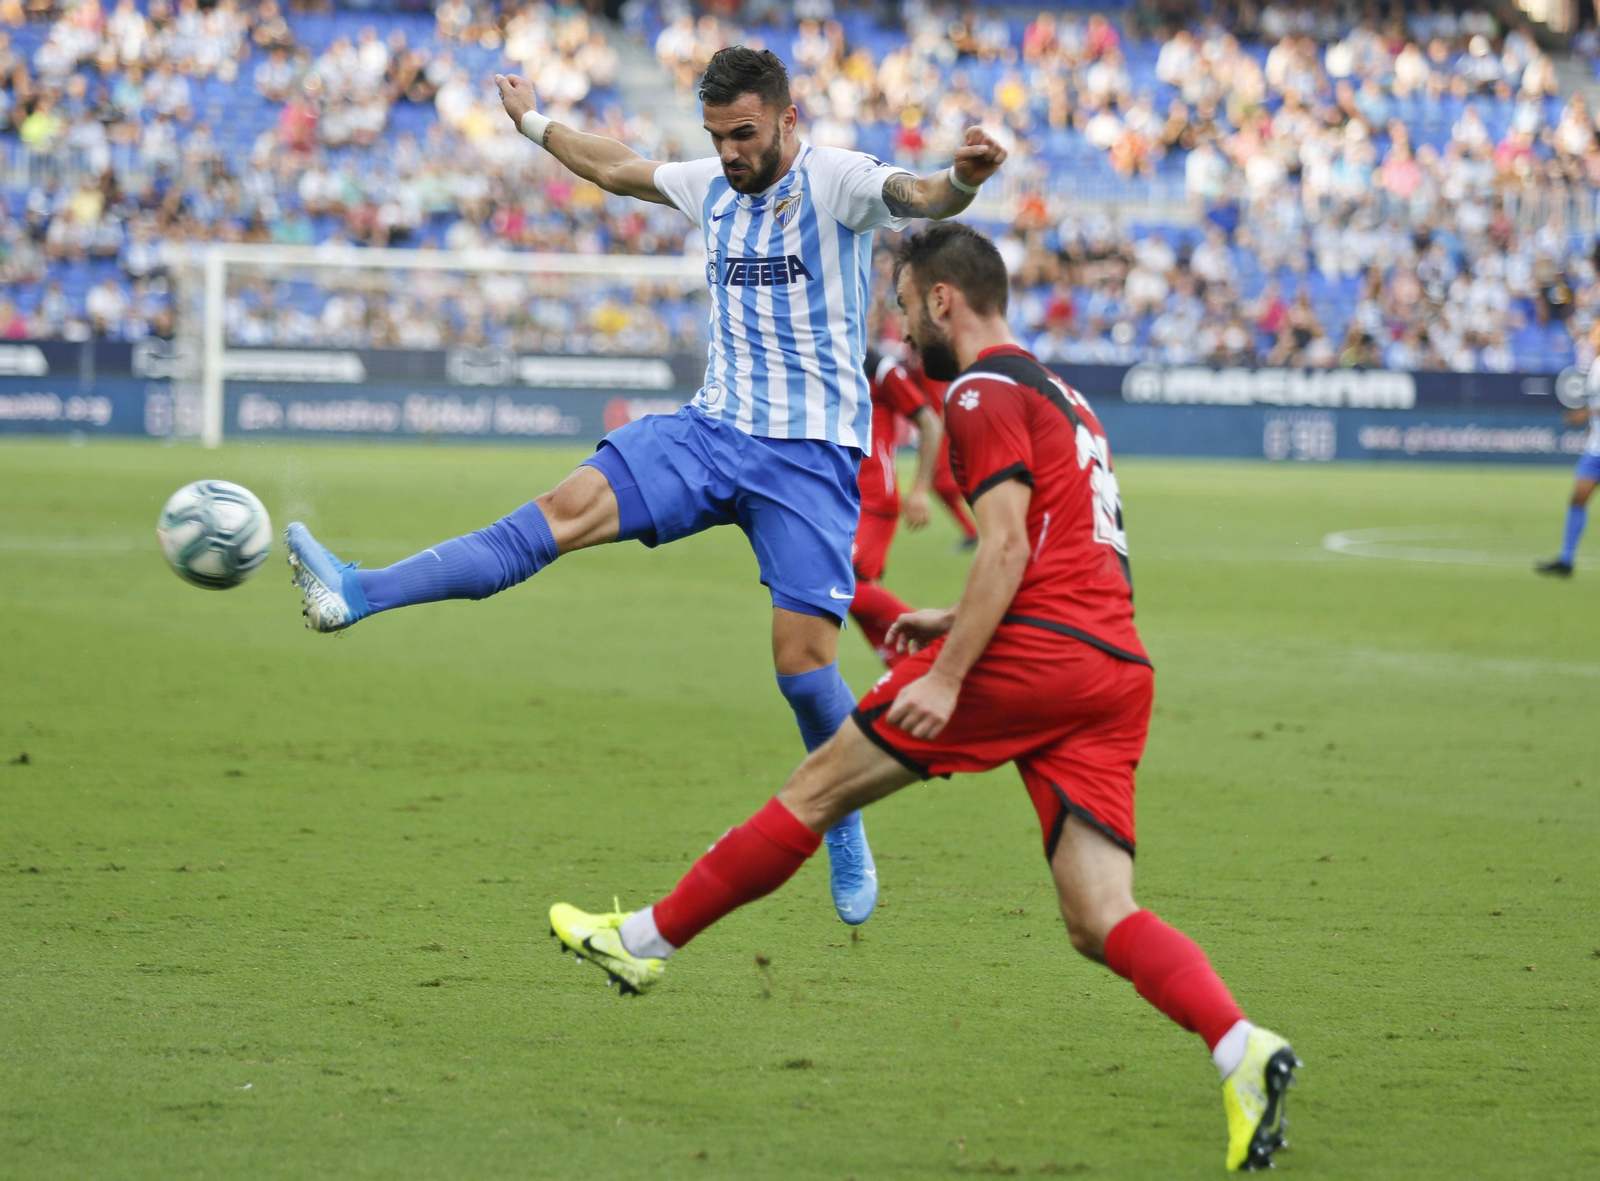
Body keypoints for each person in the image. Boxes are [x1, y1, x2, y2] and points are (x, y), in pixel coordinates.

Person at [547, 223, 1302, 1172]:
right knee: (1099, 913)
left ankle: (642, 941)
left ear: (944, 299)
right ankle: (1242, 1048)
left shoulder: (981, 390)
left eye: (905, 306)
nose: (902, 328)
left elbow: (1007, 543)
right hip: (1113, 667)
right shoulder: (1064, 394)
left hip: (1036, 657)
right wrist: (951, 617)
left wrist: (948, 674)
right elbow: (1060, 543)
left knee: (817, 789)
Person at [282, 47, 1008, 928]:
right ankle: (356, 592)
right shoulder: (710, 185)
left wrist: (961, 180)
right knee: (557, 513)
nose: (730, 152)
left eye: (744, 134)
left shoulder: (837, 180)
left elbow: (919, 195)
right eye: (717, 136)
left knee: (803, 669)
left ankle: (842, 822)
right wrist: (533, 121)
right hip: (708, 432)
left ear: (787, 119)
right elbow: (615, 167)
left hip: (809, 459)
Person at [849, 343, 942, 665]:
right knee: (859, 601)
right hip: (839, 499)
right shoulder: (821, 358)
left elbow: (930, 422)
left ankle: (943, 635)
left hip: (874, 500)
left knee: (841, 586)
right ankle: (906, 676)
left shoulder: (879, 367)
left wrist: (919, 489)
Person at [1535, 335, 1600, 577]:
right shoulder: (1596, 365)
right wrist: (1592, 426)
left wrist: (1585, 414)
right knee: (1578, 498)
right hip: (1596, 449)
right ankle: (1566, 559)